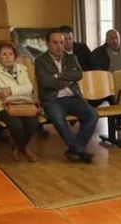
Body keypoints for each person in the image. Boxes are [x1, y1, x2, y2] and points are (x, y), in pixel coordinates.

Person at [36, 31, 99, 164]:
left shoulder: (71, 57)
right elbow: (46, 82)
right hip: (53, 100)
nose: (59, 46)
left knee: (92, 115)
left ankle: (74, 150)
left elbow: (78, 75)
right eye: (55, 43)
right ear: (48, 44)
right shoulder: (40, 61)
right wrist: (67, 79)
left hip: (73, 97)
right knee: (59, 121)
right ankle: (80, 150)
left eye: (61, 43)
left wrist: (58, 75)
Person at [0, 42, 40, 162]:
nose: (8, 57)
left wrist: (11, 90)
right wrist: (19, 92)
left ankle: (18, 146)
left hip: (24, 105)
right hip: (3, 106)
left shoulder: (22, 68)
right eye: (4, 54)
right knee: (16, 124)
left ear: (14, 56)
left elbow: (29, 88)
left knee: (33, 122)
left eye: (10, 54)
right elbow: (0, 93)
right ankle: (25, 149)